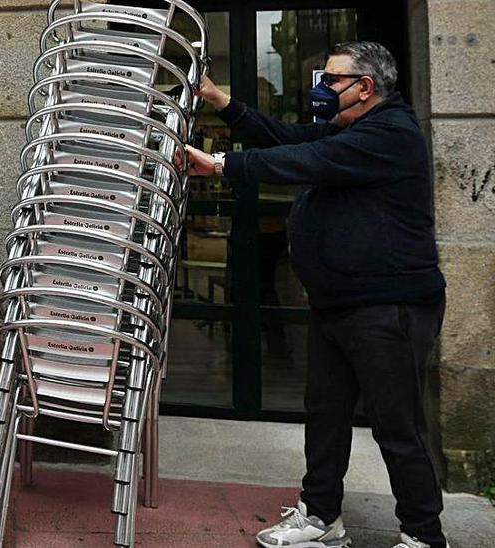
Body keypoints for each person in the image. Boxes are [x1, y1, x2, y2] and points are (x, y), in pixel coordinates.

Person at [183, 42, 448, 548]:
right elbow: (284, 136)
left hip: (387, 307)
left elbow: (306, 158)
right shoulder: (350, 127)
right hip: (338, 302)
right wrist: (218, 99)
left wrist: (220, 165)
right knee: (325, 415)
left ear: (364, 88)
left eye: (331, 80)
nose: (321, 90)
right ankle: (321, 516)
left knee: (399, 428)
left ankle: (423, 535)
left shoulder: (390, 133)